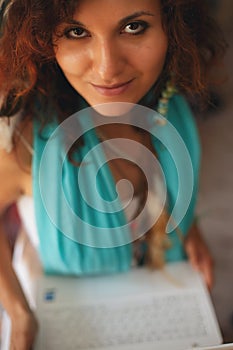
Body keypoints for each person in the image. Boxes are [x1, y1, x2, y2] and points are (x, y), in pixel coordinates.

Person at [0, 0, 226, 349]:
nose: (107, 69)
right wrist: (18, 312)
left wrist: (188, 226)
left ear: (173, 27)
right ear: (45, 39)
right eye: (77, 32)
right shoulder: (28, 140)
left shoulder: (171, 106)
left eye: (133, 27)